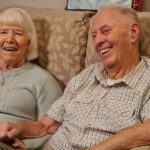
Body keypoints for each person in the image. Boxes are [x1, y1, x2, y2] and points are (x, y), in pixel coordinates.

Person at [0, 4, 150, 150]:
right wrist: (16, 129)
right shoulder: (86, 76)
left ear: (133, 32)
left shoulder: (146, 78)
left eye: (105, 31)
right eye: (94, 35)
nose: (98, 41)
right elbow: (47, 125)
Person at [0, 8, 62, 149]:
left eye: (18, 33)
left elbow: (53, 128)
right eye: (3, 32)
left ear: (29, 42)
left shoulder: (43, 80)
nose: (9, 39)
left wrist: (26, 146)